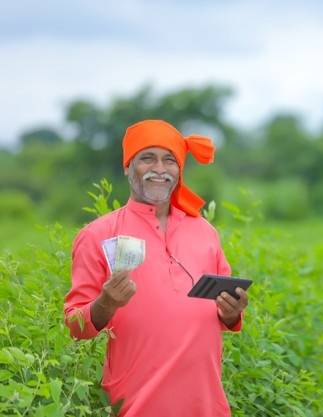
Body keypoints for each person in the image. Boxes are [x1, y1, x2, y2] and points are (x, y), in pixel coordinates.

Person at [64, 119, 248, 417]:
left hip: (207, 405)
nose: (160, 169)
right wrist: (106, 303)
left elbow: (224, 310)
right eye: (147, 158)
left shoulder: (204, 231)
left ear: (180, 170)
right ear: (127, 167)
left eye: (169, 160)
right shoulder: (98, 234)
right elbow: (75, 326)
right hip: (137, 404)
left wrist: (232, 311)